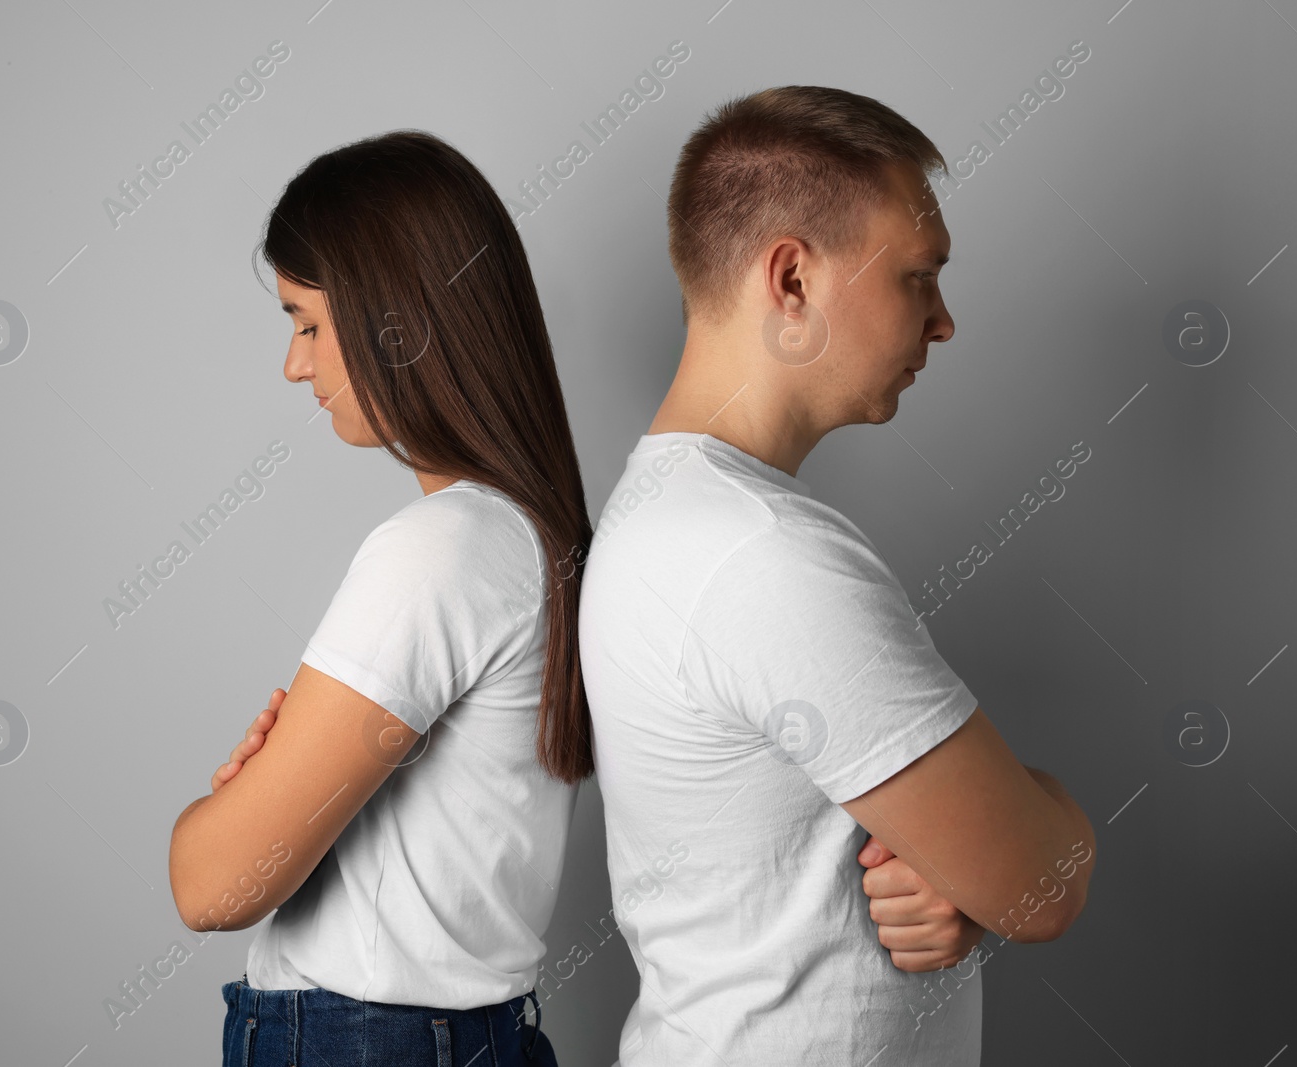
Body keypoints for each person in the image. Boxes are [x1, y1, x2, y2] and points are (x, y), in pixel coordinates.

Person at [578, 86, 1098, 1064]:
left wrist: (964, 882)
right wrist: (1058, 817)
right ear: (791, 280)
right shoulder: (760, 552)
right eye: (917, 275)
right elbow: (1040, 886)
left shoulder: (667, 513)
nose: (942, 321)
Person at [168, 129, 592, 1067]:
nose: (294, 365)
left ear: (398, 317)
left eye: (309, 323)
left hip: (364, 1040)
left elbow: (212, 885)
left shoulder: (439, 551)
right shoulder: (532, 539)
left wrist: (231, 805)